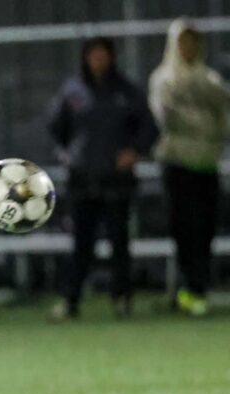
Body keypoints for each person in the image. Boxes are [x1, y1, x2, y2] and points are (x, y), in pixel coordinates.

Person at [47, 37, 157, 321]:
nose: (98, 59)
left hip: (117, 180)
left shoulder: (126, 90)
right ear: (85, 57)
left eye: (102, 54)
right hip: (82, 179)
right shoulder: (73, 91)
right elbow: (57, 128)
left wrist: (134, 151)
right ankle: (71, 300)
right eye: (92, 54)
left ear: (111, 57)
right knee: (81, 243)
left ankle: (122, 298)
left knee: (119, 241)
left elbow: (149, 128)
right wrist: (68, 154)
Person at [149, 19, 230, 317]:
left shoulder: (211, 79)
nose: (189, 47)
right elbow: (167, 117)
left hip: (207, 165)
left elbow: (222, 120)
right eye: (184, 41)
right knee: (183, 229)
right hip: (176, 165)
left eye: (194, 41)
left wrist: (198, 120)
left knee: (205, 230)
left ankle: (198, 290)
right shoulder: (163, 79)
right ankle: (187, 291)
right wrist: (202, 119)